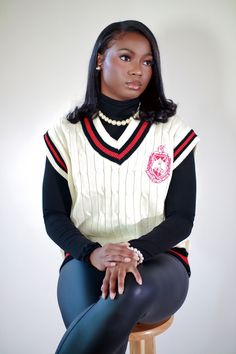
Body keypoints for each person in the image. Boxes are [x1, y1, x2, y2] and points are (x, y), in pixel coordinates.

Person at [42, 20, 199, 354]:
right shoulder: (65, 134)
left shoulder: (171, 131)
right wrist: (92, 253)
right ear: (100, 58)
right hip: (85, 260)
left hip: (160, 262)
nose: (138, 70)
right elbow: (54, 215)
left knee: (124, 290)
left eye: (147, 61)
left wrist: (134, 253)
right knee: (94, 324)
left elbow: (182, 218)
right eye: (126, 57)